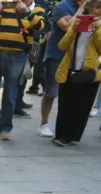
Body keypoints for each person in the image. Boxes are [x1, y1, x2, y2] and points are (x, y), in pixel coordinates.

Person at [0, 0, 46, 139]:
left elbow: (40, 26)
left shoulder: (37, 10)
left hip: (18, 56)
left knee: (10, 94)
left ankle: (5, 129)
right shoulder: (6, 7)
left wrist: (27, 12)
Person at [51, 0, 101, 145]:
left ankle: (70, 136)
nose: (99, 11)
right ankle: (60, 134)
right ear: (89, 8)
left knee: (81, 107)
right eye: (97, 8)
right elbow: (62, 45)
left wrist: (98, 30)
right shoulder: (77, 22)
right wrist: (74, 29)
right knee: (65, 104)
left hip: (88, 73)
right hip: (69, 70)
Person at [40, 0, 86, 138]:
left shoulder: (91, 7)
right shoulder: (62, 6)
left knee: (72, 93)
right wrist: (81, 8)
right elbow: (67, 28)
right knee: (52, 91)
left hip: (77, 55)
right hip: (57, 55)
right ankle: (44, 123)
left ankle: (68, 126)